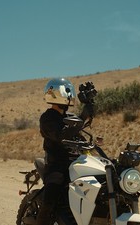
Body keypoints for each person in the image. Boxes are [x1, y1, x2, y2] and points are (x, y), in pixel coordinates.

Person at [36, 78, 93, 225]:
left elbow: (77, 134)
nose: (69, 96)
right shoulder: (47, 118)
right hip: (56, 164)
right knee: (52, 195)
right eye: (66, 93)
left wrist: (89, 107)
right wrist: (81, 117)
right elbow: (60, 135)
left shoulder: (69, 117)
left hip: (74, 161)